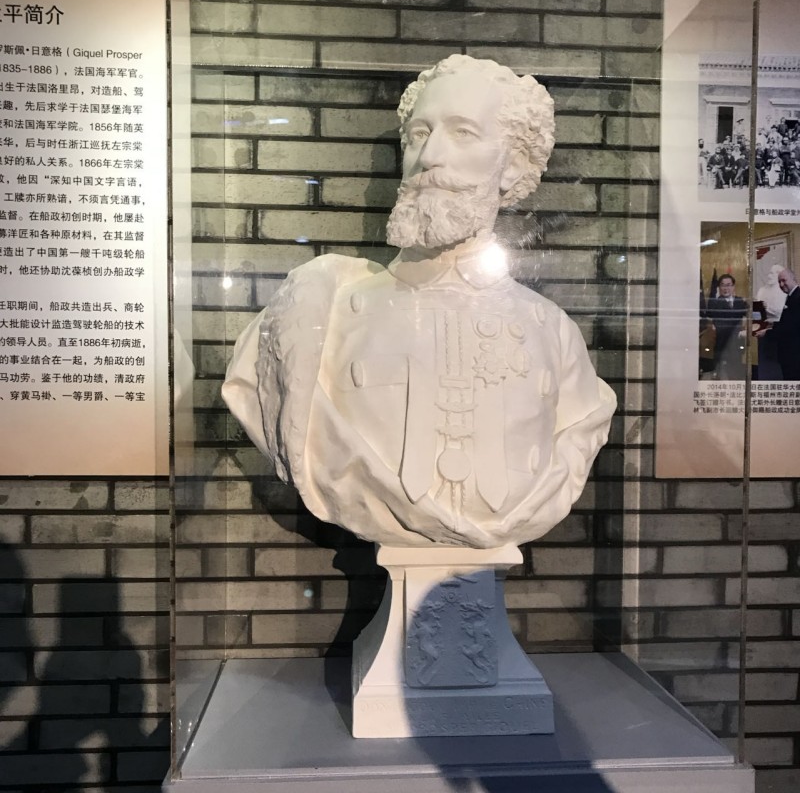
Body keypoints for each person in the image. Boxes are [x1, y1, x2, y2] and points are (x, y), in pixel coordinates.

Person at [222, 55, 616, 549]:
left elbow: (576, 433)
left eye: (463, 133)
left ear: (513, 165)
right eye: (418, 134)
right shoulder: (323, 312)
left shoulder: (552, 332)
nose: (429, 157)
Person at [706, 274, 747, 379]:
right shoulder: (715, 304)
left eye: (728, 285)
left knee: (735, 377)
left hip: (738, 347)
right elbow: (721, 326)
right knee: (721, 378)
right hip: (722, 347)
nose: (725, 288)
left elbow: (748, 315)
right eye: (723, 285)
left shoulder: (740, 301)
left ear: (733, 287)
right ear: (719, 287)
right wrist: (739, 332)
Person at [775, 268, 800, 380]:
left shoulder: (797, 298)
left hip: (794, 355)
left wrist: (767, 332)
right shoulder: (791, 296)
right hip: (791, 355)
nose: (781, 284)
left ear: (793, 279)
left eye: (784, 280)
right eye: (779, 282)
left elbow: (790, 326)